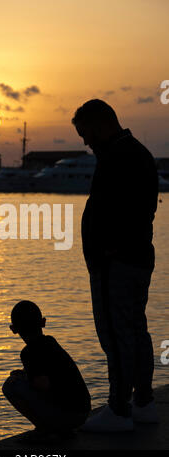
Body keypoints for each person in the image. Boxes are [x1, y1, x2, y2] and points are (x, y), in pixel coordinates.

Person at [72, 99, 159, 432]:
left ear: (100, 124)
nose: (85, 142)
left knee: (116, 334)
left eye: (86, 133)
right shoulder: (136, 153)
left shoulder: (119, 157)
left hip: (117, 263)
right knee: (135, 329)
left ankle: (119, 409)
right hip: (135, 259)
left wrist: (107, 251)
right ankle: (144, 402)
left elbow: (120, 212)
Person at [2, 300, 91, 441]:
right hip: (82, 414)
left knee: (10, 385)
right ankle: (58, 429)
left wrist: (24, 379)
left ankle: (45, 429)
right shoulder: (51, 342)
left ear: (13, 329)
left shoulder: (28, 352)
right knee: (19, 379)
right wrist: (26, 375)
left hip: (68, 416)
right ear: (43, 322)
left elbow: (43, 384)